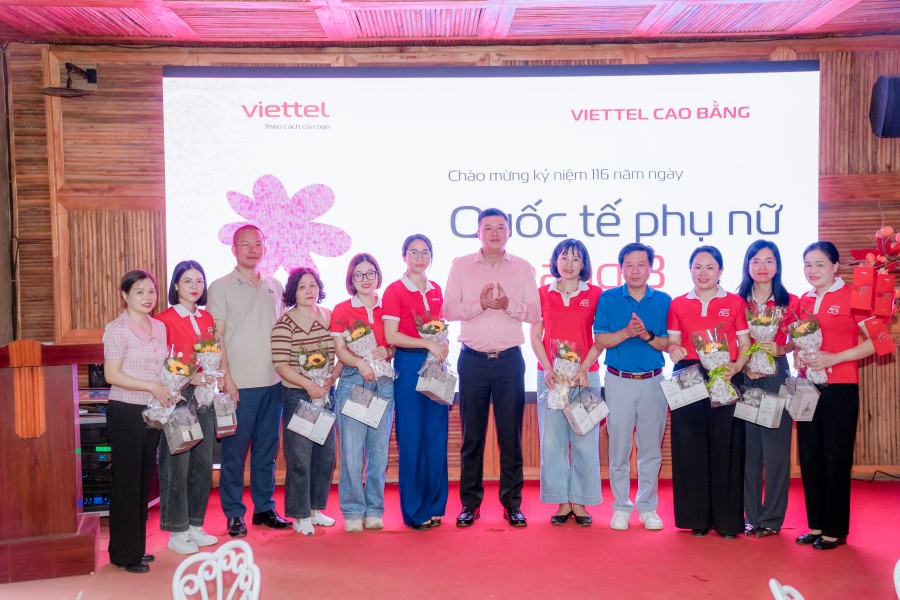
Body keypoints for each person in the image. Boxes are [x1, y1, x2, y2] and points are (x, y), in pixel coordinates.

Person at [445, 208, 541, 528]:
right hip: (472, 360)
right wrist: (481, 305)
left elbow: (534, 314)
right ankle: (470, 504)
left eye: (501, 227)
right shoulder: (460, 266)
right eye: (489, 228)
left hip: (509, 361)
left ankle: (512, 504)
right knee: (471, 437)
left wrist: (508, 305)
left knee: (510, 438)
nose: (495, 233)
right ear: (478, 232)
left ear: (509, 232)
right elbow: (448, 309)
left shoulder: (523, 268)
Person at [207, 224, 290, 537]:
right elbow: (217, 337)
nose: (253, 249)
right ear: (233, 249)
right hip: (239, 386)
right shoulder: (220, 287)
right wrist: (226, 377)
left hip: (274, 382)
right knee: (234, 454)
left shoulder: (275, 285)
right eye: (246, 244)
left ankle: (264, 508)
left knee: (267, 451)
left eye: (258, 244)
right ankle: (233, 513)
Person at [794, 241, 875, 550]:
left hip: (840, 388)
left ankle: (835, 529)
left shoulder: (853, 296)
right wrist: (799, 357)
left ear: (835, 266)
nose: (812, 270)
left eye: (820, 264)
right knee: (809, 457)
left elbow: (877, 342)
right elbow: (801, 342)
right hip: (807, 388)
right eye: (807, 264)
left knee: (835, 458)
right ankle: (816, 525)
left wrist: (835, 357)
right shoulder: (803, 300)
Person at [666, 245, 751, 539]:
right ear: (690, 270)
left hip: (723, 374)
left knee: (726, 446)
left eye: (710, 267)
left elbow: (745, 343)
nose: (703, 273)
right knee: (690, 446)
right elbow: (673, 342)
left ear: (721, 271)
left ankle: (727, 522)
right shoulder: (678, 303)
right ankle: (697, 518)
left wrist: (737, 366)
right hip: (688, 374)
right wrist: (674, 350)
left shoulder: (735, 302)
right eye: (698, 267)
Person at [594, 242, 671, 532]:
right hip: (618, 381)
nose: (635, 270)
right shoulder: (608, 298)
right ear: (621, 268)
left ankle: (648, 507)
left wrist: (647, 336)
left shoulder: (663, 300)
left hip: (653, 382)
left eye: (641, 265)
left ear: (651, 268)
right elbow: (600, 340)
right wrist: (627, 332)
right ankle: (621, 507)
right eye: (629, 265)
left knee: (650, 450)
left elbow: (668, 343)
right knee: (619, 450)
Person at [530, 239, 602, 526]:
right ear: (555, 261)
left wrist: (584, 368)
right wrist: (548, 369)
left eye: (575, 258)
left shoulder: (595, 294)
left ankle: (581, 502)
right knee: (552, 441)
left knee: (585, 441)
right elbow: (535, 337)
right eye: (564, 257)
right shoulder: (542, 294)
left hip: (585, 376)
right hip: (551, 378)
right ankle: (562, 501)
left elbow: (600, 338)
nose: (569, 264)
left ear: (583, 263)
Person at [102, 269, 170, 573]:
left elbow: (162, 368)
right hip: (126, 411)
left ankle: (136, 547)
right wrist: (152, 386)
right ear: (125, 295)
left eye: (151, 291)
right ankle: (124, 554)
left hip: (153, 411)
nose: (147, 297)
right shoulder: (117, 329)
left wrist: (169, 385)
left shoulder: (159, 327)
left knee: (144, 481)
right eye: (139, 291)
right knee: (127, 482)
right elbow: (112, 375)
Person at [382, 234, 449, 530]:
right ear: (404, 256)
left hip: (435, 365)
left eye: (425, 252)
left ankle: (435, 505)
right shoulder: (394, 290)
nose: (420, 257)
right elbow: (391, 336)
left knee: (436, 437)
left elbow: (439, 328)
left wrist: (442, 345)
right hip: (409, 365)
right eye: (414, 252)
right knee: (411, 439)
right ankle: (415, 510)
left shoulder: (436, 289)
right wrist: (427, 343)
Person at [155, 260, 219, 554]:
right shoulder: (164, 319)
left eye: (199, 281)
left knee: (203, 463)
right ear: (176, 285)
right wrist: (190, 377)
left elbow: (212, 353)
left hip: (204, 395)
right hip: (178, 394)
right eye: (188, 281)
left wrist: (213, 375)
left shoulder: (207, 318)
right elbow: (160, 361)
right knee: (177, 464)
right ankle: (176, 530)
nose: (195, 287)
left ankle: (194, 524)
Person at [271, 267, 340, 536]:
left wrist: (331, 378)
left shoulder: (330, 317)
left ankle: (315, 509)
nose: (309, 290)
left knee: (325, 455)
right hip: (298, 395)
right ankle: (300, 514)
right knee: (299, 456)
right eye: (302, 286)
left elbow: (342, 353)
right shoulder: (284, 324)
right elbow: (281, 365)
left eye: (313, 285)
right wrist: (308, 384)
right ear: (293, 292)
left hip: (325, 394)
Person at [737, 240, 798, 538]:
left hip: (776, 376)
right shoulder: (736, 302)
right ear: (747, 266)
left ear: (777, 265)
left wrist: (781, 347)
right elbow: (728, 340)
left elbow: (800, 340)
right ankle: (750, 516)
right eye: (756, 261)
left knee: (776, 453)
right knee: (749, 452)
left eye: (768, 260)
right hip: (746, 376)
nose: (762, 267)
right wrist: (744, 364)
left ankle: (772, 519)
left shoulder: (790, 301)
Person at [331, 254, 394, 533]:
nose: (365, 279)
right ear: (351, 279)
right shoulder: (342, 309)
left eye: (370, 273)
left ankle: (375, 509)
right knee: (352, 453)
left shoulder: (388, 308)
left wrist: (388, 350)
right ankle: (353, 510)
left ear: (378, 276)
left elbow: (394, 344)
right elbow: (340, 350)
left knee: (378, 453)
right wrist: (360, 363)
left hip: (384, 383)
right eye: (359, 274)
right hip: (353, 382)